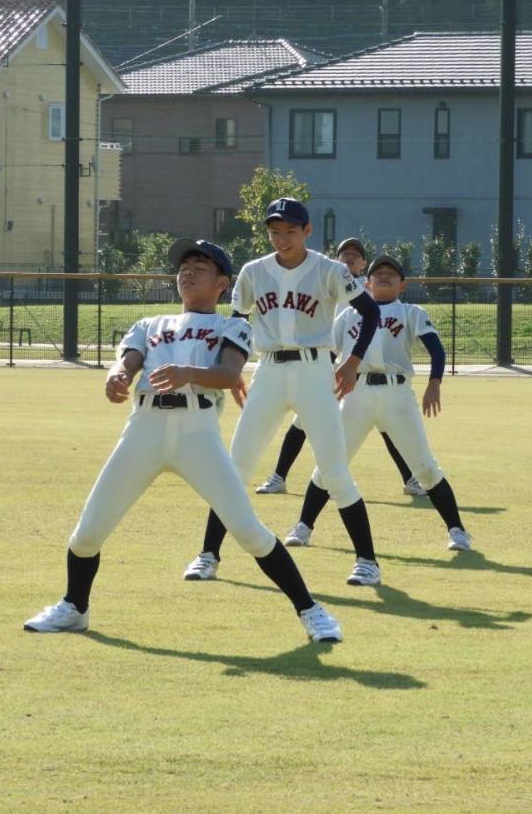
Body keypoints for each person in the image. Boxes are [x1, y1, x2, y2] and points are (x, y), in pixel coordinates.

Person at [24, 238, 343, 642]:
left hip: (197, 431)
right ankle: (74, 608)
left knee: (248, 530)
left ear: (222, 284)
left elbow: (229, 375)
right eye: (184, 266)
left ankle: (311, 610)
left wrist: (186, 373)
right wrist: (117, 376)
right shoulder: (150, 324)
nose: (188, 272)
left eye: (200, 267)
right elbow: (128, 362)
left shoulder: (232, 326)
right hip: (144, 428)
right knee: (88, 533)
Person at [183, 199, 385, 587]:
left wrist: (352, 361)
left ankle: (367, 562)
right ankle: (208, 555)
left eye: (290, 231)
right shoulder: (253, 271)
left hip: (315, 370)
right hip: (270, 370)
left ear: (307, 231)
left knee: (334, 471)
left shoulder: (330, 269)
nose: (282, 238)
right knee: (235, 466)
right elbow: (238, 323)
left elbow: (370, 312)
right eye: (275, 231)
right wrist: (232, 368)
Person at [283, 254, 473, 553]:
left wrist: (434, 383)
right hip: (355, 394)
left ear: (402, 285)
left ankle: (457, 531)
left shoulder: (411, 312)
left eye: (391, 274)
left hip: (397, 395)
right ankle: (303, 527)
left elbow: (436, 350)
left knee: (425, 467)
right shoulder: (348, 316)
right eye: (377, 274)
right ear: (367, 284)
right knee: (330, 464)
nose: (384, 276)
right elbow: (328, 355)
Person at [254, 236, 425, 498]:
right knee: (302, 421)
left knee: (388, 425)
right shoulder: (325, 280)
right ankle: (279, 477)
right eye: (345, 253)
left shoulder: (365, 290)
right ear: (337, 259)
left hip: (359, 369)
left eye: (356, 255)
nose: (350, 257)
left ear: (363, 264)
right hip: (326, 363)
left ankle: (410, 478)